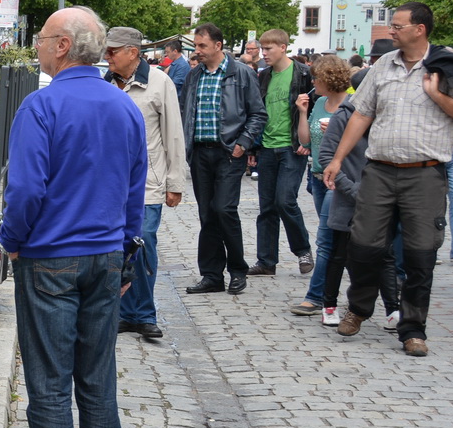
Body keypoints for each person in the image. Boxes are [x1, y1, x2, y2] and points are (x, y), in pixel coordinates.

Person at [1, 7, 145, 428]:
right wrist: (127, 253)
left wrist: (12, 241)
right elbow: (135, 192)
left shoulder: (42, 106)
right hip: (106, 256)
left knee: (49, 379)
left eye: (41, 38)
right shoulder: (124, 107)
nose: (36, 46)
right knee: (97, 380)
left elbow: (25, 190)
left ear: (63, 46)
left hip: (50, 256)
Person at [322, 2, 453, 356]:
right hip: (379, 169)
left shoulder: (445, 66)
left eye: (397, 25)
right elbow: (361, 114)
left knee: (420, 255)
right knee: (363, 247)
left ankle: (412, 328)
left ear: (419, 29)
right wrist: (337, 158)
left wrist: (436, 94)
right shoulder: (382, 66)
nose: (391, 30)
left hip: (425, 175)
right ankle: (360, 307)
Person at [104, 26, 186, 341]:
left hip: (148, 183)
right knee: (118, 247)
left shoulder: (160, 83)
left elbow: (173, 135)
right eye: (106, 50)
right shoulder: (107, 84)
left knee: (144, 243)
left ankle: (144, 314)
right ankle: (124, 313)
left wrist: (174, 182)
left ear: (133, 53)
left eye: (113, 51)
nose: (107, 56)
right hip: (113, 185)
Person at [181, 22, 266, 295]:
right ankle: (211, 275)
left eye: (202, 45)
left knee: (224, 210)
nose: (198, 50)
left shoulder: (241, 73)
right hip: (199, 153)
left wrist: (243, 143)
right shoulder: (195, 76)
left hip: (229, 152)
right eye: (196, 45)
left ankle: (238, 270)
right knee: (207, 214)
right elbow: (186, 112)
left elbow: (258, 114)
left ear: (218, 45)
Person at [319, 84, 402, 327]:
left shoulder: (390, 115)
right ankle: (329, 305)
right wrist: (353, 189)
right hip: (349, 195)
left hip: (382, 197)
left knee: (385, 254)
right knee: (339, 252)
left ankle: (392, 309)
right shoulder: (345, 115)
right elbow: (327, 156)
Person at [289, 55, 353, 318]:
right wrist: (303, 112)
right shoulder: (319, 104)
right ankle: (337, 290)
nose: (313, 82)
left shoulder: (352, 106)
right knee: (334, 240)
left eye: (316, 77)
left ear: (329, 78)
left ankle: (316, 296)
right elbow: (305, 140)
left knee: (325, 240)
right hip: (317, 176)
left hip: (338, 180)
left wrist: (336, 132)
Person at [253, 29, 316, 276]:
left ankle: (302, 250)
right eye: (262, 48)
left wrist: (307, 140)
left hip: (292, 147)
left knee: (285, 200)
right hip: (267, 147)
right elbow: (258, 111)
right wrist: (254, 145)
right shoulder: (263, 76)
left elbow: (314, 108)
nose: (263, 53)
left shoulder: (303, 74)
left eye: (268, 49)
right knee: (266, 207)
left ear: (283, 47)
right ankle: (266, 261)